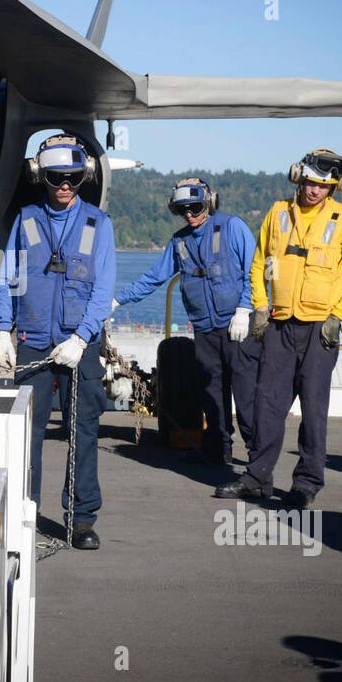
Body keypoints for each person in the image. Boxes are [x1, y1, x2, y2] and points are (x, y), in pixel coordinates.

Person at [214, 150, 342, 507]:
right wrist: (259, 307)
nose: (315, 191)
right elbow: (258, 266)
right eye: (310, 183)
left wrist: (338, 314)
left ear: (333, 187)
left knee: (314, 409)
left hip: (320, 331)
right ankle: (257, 477)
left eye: (323, 186)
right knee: (266, 406)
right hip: (279, 326)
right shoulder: (278, 213)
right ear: (298, 178)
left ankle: (306, 484)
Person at [0, 134, 116, 549]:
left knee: (83, 430)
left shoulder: (98, 224)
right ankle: (24, 512)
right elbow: (9, 276)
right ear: (41, 176)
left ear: (84, 178)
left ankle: (80, 520)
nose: (65, 186)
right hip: (33, 341)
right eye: (57, 177)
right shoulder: (25, 220)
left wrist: (82, 338)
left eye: (73, 179)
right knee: (28, 433)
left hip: (78, 346)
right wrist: (0, 330)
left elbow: (103, 289)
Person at [113, 177, 260, 466]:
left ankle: (258, 458)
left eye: (195, 207)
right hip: (205, 328)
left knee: (246, 394)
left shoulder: (232, 227)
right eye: (183, 210)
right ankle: (218, 450)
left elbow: (255, 271)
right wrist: (118, 300)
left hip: (238, 325)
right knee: (211, 393)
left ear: (209, 203)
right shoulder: (180, 242)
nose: (190, 215)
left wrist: (245, 309)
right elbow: (155, 277)